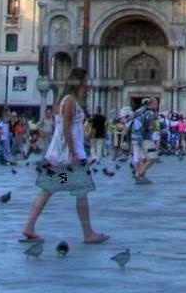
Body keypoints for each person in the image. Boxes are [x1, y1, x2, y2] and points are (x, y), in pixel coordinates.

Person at [20, 80, 109, 247]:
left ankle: (29, 226)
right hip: (70, 159)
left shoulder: (64, 100)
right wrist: (74, 152)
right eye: (85, 82)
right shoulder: (70, 101)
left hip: (60, 158)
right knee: (81, 191)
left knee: (49, 189)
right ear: (79, 83)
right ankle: (88, 233)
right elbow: (66, 129)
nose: (87, 86)